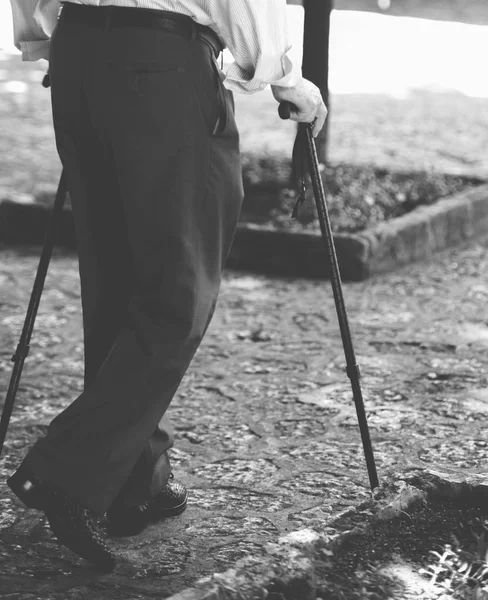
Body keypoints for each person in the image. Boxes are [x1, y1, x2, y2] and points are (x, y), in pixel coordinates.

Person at [7, 0, 328, 570]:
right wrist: (285, 77)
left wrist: (44, 35)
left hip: (79, 53)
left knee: (114, 277)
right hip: (162, 64)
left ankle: (136, 482)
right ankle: (66, 471)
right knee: (178, 292)